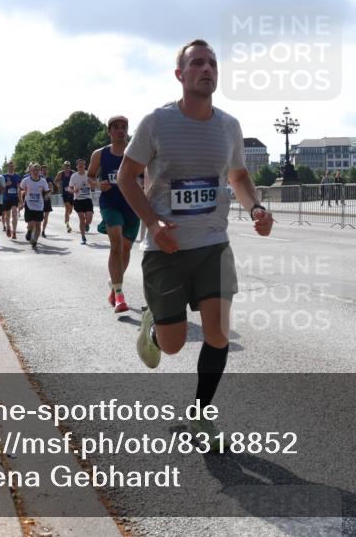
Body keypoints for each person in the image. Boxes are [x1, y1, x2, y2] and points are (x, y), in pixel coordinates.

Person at [118, 39, 274, 450]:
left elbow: (238, 177)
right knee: (171, 348)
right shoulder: (157, 122)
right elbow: (125, 177)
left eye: (213, 63)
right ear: (180, 74)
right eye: (198, 63)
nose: (207, 69)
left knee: (218, 333)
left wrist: (256, 208)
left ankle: (201, 417)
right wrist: (153, 222)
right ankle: (154, 329)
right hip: (165, 249)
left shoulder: (229, 126)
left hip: (212, 245)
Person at [89, 116, 141, 314]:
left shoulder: (136, 152)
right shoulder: (100, 154)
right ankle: (120, 296)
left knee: (126, 250)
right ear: (109, 131)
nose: (121, 130)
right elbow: (91, 176)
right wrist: (96, 184)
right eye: (116, 127)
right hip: (110, 203)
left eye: (124, 127)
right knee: (116, 245)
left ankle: (114, 286)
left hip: (133, 205)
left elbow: (147, 176)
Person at [19, 163, 49, 250]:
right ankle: (29, 232)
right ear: (30, 171)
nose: (36, 172)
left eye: (37, 170)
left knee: (38, 225)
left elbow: (47, 191)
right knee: (31, 224)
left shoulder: (43, 181)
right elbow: (20, 190)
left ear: (39, 171)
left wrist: (46, 194)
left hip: (39, 205)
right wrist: (21, 201)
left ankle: (35, 241)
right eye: (34, 170)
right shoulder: (26, 180)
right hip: (29, 204)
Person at [69, 158, 94, 245]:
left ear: (85, 166)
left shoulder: (89, 174)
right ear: (76, 167)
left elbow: (94, 184)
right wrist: (73, 191)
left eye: (82, 165)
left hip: (87, 198)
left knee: (89, 218)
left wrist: (91, 185)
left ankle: (87, 224)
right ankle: (83, 236)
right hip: (78, 199)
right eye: (79, 165)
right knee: (81, 218)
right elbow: (70, 188)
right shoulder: (74, 176)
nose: (81, 166)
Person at [2, 162, 21, 239]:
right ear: (7, 167)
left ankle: (14, 232)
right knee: (7, 215)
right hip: (6, 198)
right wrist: (6, 184)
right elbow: (0, 187)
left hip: (14, 197)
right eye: (10, 167)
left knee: (14, 214)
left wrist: (20, 200)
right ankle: (8, 228)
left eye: (12, 167)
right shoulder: (3, 176)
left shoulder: (17, 176)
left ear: (14, 167)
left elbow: (19, 188)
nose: (11, 168)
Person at [56, 160, 75, 233]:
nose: (67, 167)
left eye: (68, 166)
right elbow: (56, 181)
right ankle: (67, 224)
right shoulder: (60, 173)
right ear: (63, 167)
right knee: (67, 208)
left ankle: (66, 218)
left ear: (70, 166)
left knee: (70, 209)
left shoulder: (73, 173)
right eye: (66, 166)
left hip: (72, 193)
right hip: (65, 193)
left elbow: (77, 179)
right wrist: (59, 185)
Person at [40, 165, 54, 238]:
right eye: (43, 170)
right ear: (40, 171)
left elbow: (52, 190)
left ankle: (43, 231)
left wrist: (48, 193)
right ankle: (37, 230)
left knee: (46, 216)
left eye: (46, 170)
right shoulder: (39, 179)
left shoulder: (49, 179)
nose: (44, 171)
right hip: (39, 200)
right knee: (39, 217)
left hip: (47, 199)